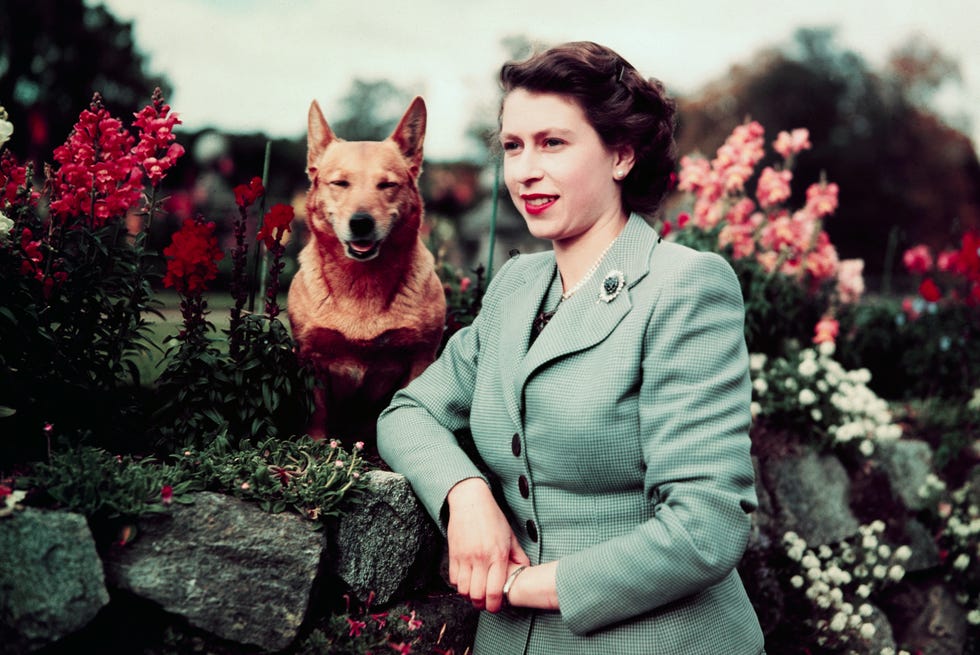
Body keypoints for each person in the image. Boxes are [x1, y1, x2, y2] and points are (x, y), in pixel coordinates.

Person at [377, 41, 765, 654]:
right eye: (512, 146)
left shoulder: (684, 286)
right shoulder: (516, 286)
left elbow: (706, 527)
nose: (525, 169)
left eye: (552, 143)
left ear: (620, 154)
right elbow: (409, 414)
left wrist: (529, 584)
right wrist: (466, 495)